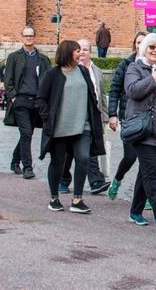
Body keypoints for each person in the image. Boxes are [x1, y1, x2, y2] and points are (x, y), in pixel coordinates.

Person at [37, 40, 105, 214]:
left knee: (83, 158)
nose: (80, 53)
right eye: (76, 51)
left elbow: (92, 94)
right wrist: (47, 118)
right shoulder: (53, 74)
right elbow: (41, 99)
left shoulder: (82, 71)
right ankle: (54, 198)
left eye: (82, 50)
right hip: (60, 128)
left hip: (83, 126)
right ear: (67, 53)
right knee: (58, 163)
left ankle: (77, 198)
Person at [124, 33, 156, 230]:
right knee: (152, 172)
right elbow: (133, 90)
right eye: (151, 47)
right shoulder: (135, 68)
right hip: (143, 130)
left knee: (145, 172)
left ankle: (135, 211)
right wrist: (154, 76)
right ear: (144, 49)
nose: (155, 50)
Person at [59, 39, 110, 194]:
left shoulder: (97, 71)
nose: (82, 52)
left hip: (91, 117)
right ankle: (63, 180)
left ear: (90, 52)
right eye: (79, 49)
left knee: (88, 149)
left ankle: (96, 181)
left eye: (86, 49)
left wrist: (105, 116)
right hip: (73, 116)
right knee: (69, 152)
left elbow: (101, 95)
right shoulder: (69, 69)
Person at [4, 27, 51, 179]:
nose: (29, 38)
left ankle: (15, 160)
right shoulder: (14, 57)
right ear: (22, 37)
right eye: (26, 36)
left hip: (36, 102)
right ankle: (28, 167)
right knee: (26, 133)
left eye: (31, 36)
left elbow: (48, 80)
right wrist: (13, 97)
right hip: (21, 101)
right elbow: (8, 79)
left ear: (35, 37)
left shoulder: (43, 59)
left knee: (27, 134)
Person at [107, 31, 147, 200]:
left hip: (149, 119)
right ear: (134, 45)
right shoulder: (126, 65)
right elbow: (115, 90)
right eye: (138, 42)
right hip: (129, 118)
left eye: (144, 42)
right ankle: (118, 178)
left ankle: (144, 197)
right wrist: (112, 114)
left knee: (148, 162)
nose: (141, 45)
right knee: (130, 157)